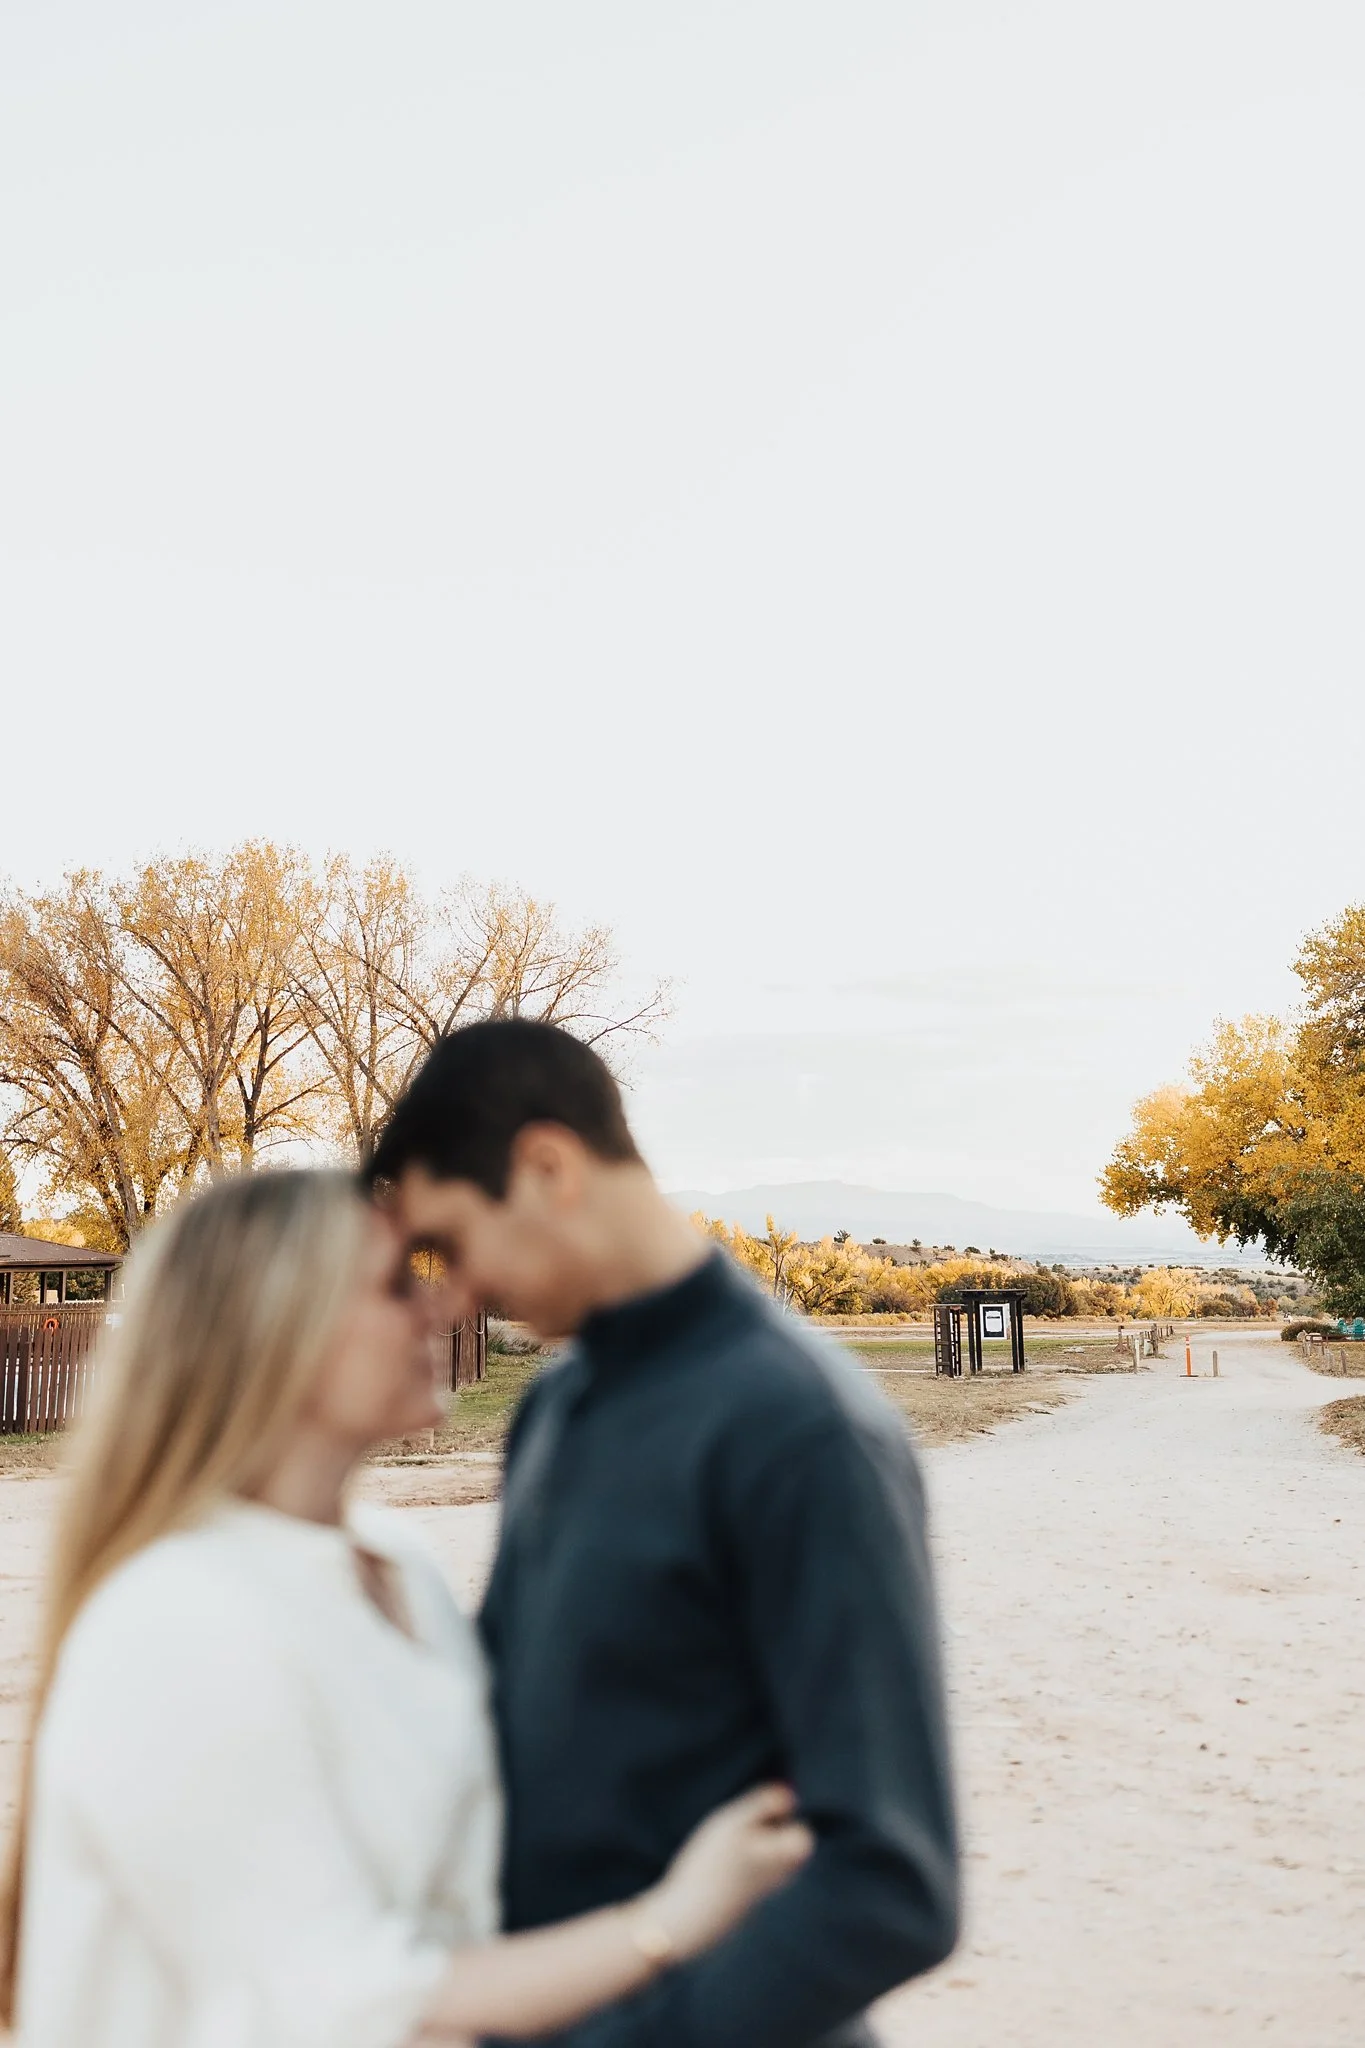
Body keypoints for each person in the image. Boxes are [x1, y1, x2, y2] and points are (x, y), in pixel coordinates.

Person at [1, 1169, 813, 2048]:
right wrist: (673, 1921)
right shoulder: (174, 1624)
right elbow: (344, 1998)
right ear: (282, 1334)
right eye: (396, 1285)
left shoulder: (404, 1568)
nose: (439, 1307)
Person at [369, 1019, 960, 2048]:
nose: (455, 1292)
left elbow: (891, 1880)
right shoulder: (555, 1406)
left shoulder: (801, 1425)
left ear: (546, 1165)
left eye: (454, 1243)